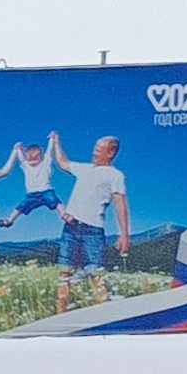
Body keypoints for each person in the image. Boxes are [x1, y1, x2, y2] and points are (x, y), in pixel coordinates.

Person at [53, 134, 134, 314]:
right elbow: (62, 162)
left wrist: (125, 235)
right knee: (64, 274)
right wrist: (56, 142)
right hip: (70, 228)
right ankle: (60, 318)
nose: (93, 152)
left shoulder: (115, 176)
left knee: (95, 276)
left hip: (93, 231)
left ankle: (104, 319)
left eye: (98, 149)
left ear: (110, 153)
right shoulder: (84, 168)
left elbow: (120, 205)